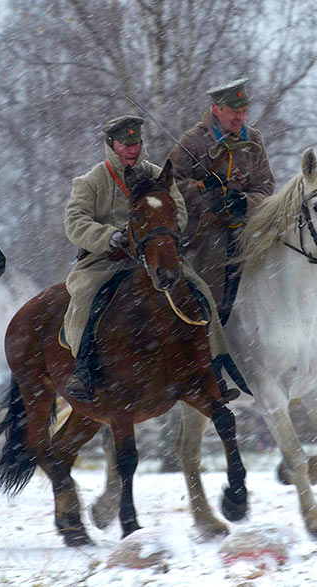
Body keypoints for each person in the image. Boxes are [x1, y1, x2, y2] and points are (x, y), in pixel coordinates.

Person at [167, 78, 317, 368]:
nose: (240, 116)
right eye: (234, 111)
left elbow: (265, 186)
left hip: (248, 224)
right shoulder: (193, 142)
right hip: (207, 231)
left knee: (304, 258)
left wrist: (243, 202)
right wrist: (204, 193)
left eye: (243, 110)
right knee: (210, 283)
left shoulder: (253, 140)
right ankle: (206, 354)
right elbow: (171, 185)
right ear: (216, 109)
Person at [62, 115, 238, 403]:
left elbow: (178, 213)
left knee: (201, 291)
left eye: (136, 143)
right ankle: (83, 370)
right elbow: (75, 222)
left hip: (154, 256)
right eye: (124, 144)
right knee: (85, 298)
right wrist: (108, 236)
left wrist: (159, 236)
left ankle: (216, 367)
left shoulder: (159, 176)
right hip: (105, 260)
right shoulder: (91, 182)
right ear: (111, 145)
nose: (131, 149)